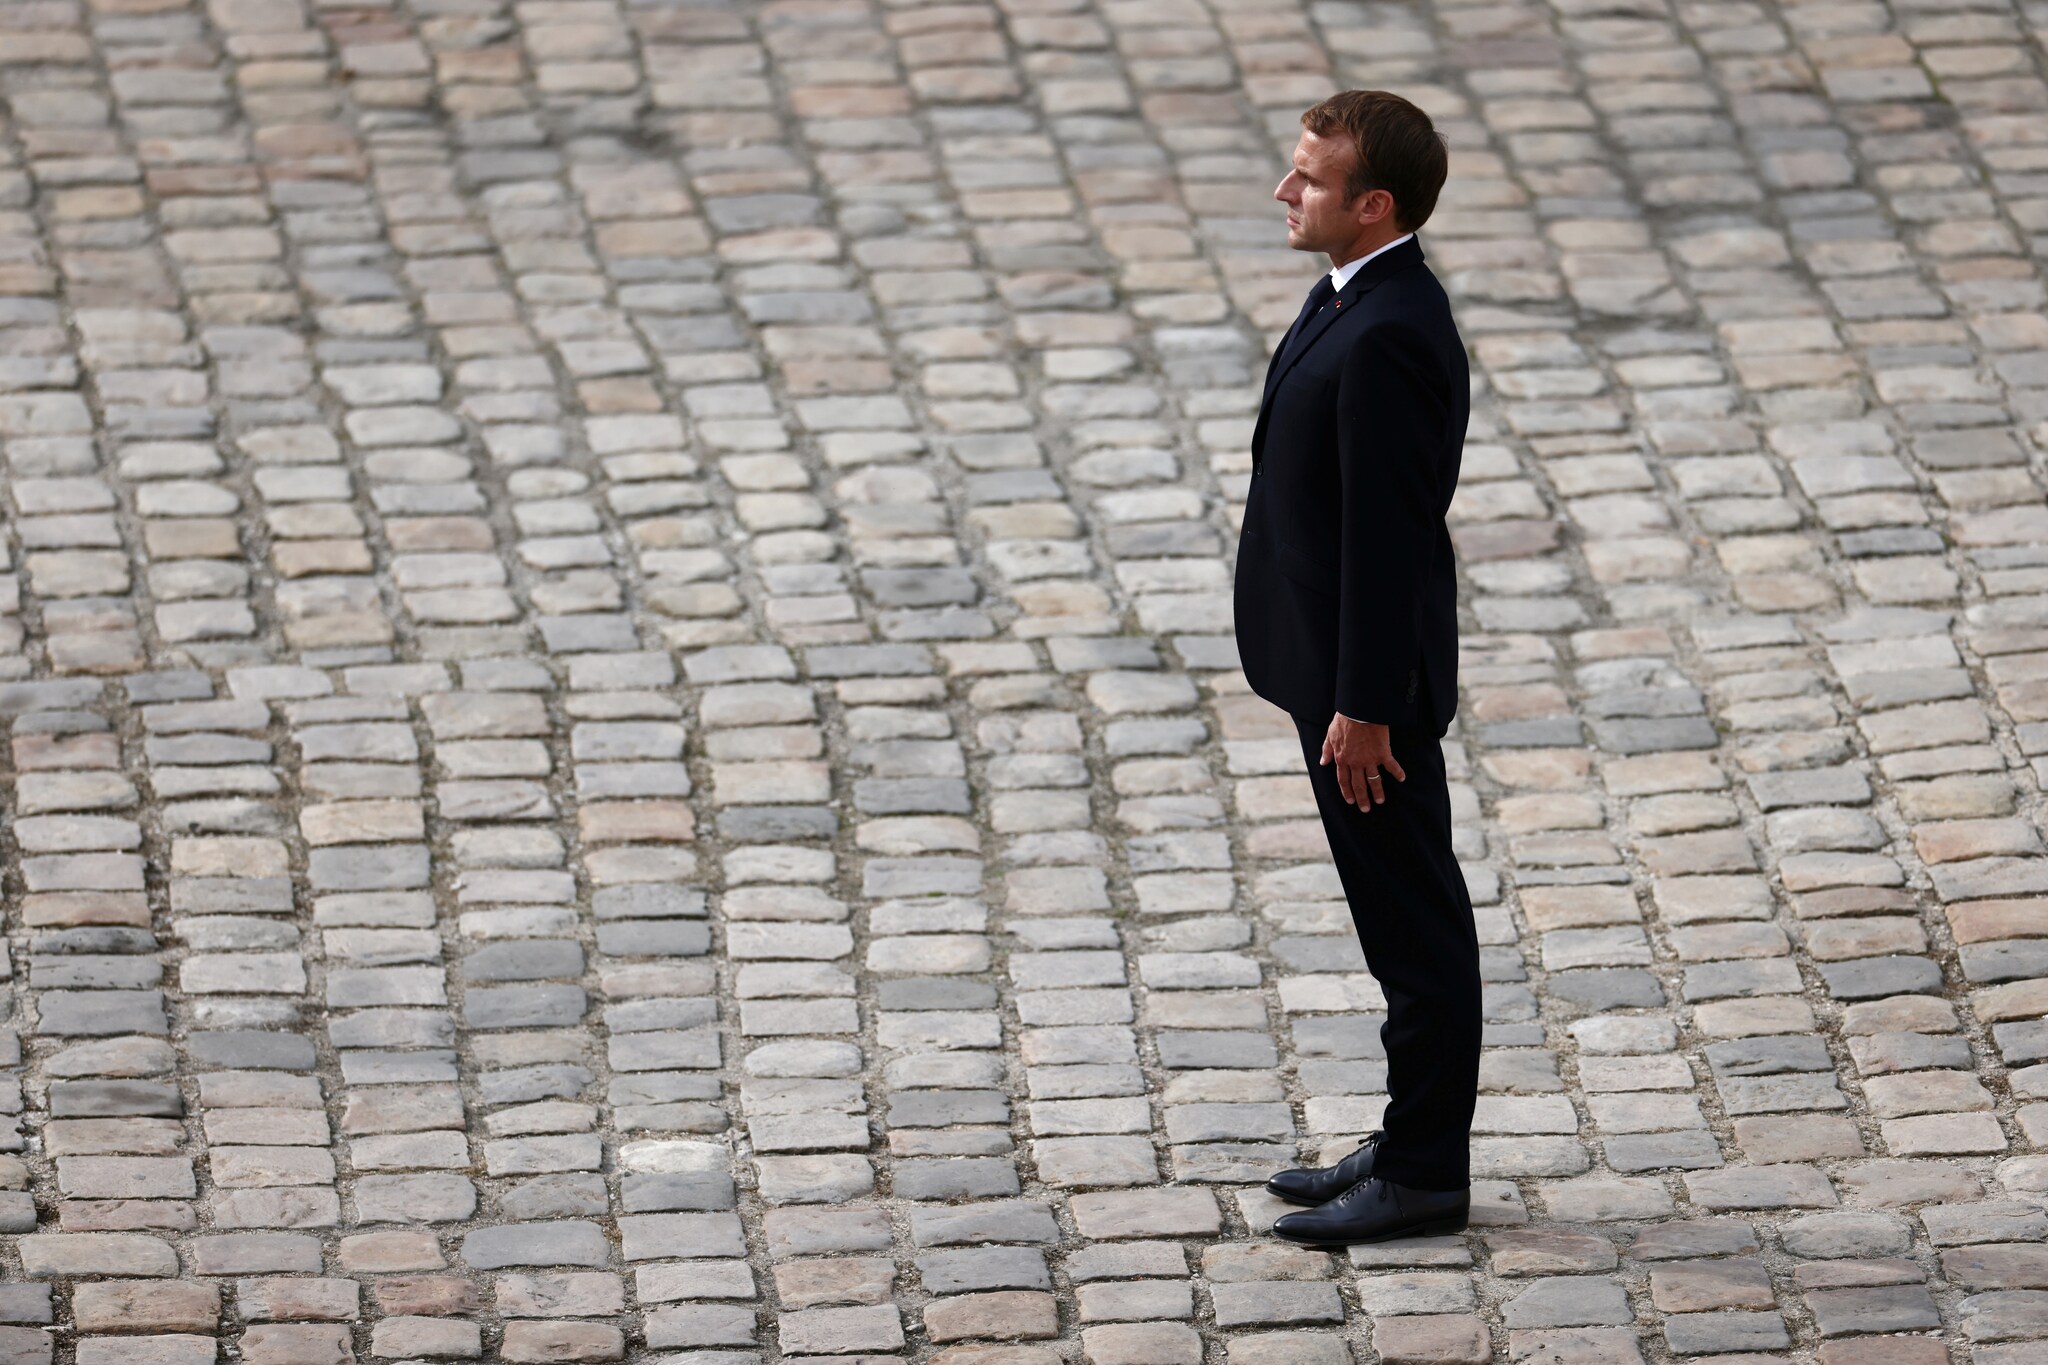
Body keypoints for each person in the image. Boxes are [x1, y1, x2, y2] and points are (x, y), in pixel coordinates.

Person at [1233, 90, 1479, 1246]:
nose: (1285, 193)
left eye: (1308, 181)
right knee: (1393, 916)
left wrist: (1364, 707)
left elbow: (1386, 534)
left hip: (1362, 699)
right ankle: (1407, 1130)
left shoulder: (1387, 331)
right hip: (1332, 675)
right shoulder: (1352, 293)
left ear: (1371, 204)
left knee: (1412, 923)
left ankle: (1426, 1170)